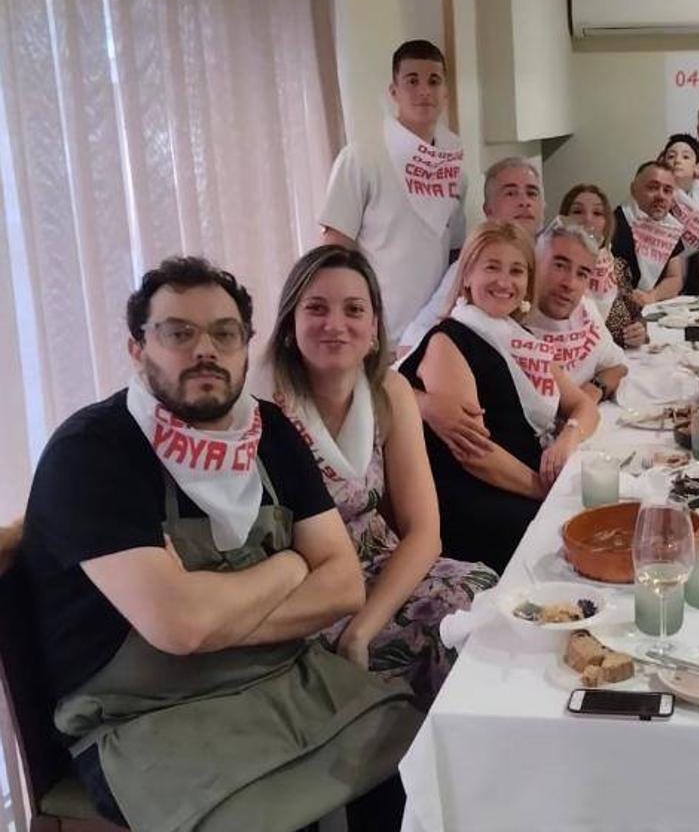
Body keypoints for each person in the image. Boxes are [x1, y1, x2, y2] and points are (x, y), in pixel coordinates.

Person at [20, 257, 420, 832]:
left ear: (245, 347)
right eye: (178, 333)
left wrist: (212, 620)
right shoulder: (93, 453)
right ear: (138, 349)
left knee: (409, 767)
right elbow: (179, 626)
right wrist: (286, 566)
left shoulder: (270, 433)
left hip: (282, 679)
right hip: (146, 720)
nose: (205, 349)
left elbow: (341, 584)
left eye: (224, 334)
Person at [264, 245, 498, 704]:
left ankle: (471, 758)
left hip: (385, 573)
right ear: (290, 325)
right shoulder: (266, 408)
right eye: (315, 308)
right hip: (314, 589)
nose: (335, 324)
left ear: (374, 329)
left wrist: (362, 630)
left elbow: (424, 532)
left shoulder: (388, 390)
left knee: (480, 599)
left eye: (354, 309)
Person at [398, 222, 599, 573]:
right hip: (477, 501)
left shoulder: (517, 335)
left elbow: (583, 405)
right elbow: (474, 453)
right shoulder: (449, 340)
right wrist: (544, 492)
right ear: (467, 276)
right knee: (582, 542)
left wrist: (569, 436)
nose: (505, 282)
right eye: (492, 267)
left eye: (516, 270)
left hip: (519, 484)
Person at [321, 40, 466, 348]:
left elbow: (456, 254)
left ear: (446, 93)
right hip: (376, 332)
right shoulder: (362, 157)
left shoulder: (454, 164)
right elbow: (335, 250)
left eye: (434, 81)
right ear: (394, 92)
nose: (424, 91)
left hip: (434, 333)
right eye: (412, 81)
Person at [400, 156, 545, 350]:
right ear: (488, 209)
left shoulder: (558, 257)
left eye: (532, 193)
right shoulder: (472, 264)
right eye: (511, 193)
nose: (524, 202)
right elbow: (410, 343)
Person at [526, 218, 628, 402]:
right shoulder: (513, 320)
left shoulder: (586, 310)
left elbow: (618, 367)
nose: (570, 284)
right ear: (534, 264)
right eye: (559, 266)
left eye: (582, 274)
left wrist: (592, 392)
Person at [560, 183, 650, 349]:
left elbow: (636, 314)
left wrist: (640, 331)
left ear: (607, 223)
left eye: (597, 213)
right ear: (563, 220)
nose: (587, 219)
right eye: (578, 211)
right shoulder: (551, 273)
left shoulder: (618, 267)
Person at [610, 160, 687, 304]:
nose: (661, 196)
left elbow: (675, 278)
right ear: (633, 189)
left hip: (653, 308)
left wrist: (652, 296)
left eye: (667, 190)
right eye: (653, 187)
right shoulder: (612, 224)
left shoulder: (669, 226)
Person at [662, 132, 699, 256]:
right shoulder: (657, 197)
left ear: (697, 167)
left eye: (685, 157)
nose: (677, 161)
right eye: (671, 156)